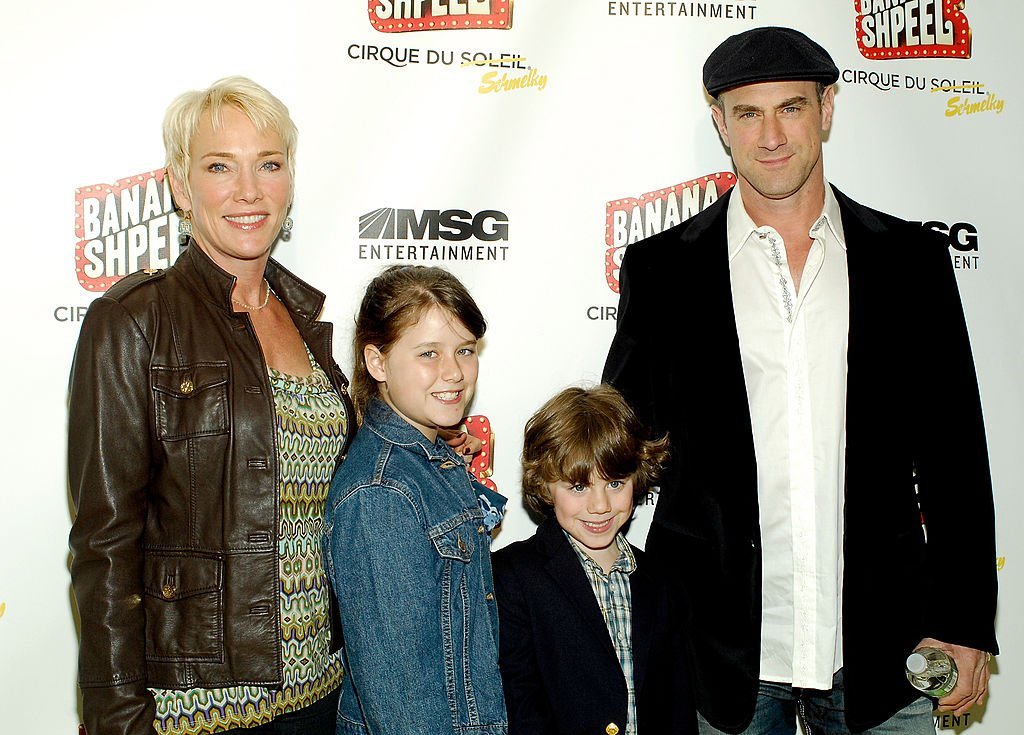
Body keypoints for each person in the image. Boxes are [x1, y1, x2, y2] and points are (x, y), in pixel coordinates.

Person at [602, 25, 997, 735]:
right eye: (748, 113)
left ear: (828, 109)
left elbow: (955, 459)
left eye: (791, 107)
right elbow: (621, 452)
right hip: (716, 656)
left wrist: (966, 622)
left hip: (886, 652)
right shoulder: (662, 271)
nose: (772, 134)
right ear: (720, 123)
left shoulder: (910, 262)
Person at [67, 76, 355, 735]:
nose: (249, 191)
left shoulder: (306, 319)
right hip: (196, 709)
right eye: (220, 166)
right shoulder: (135, 318)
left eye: (269, 165)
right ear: (179, 184)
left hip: (321, 695)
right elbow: (104, 540)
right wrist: (115, 716)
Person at [323, 264, 508, 735]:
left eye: (465, 350)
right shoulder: (382, 495)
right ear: (377, 362)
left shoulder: (432, 460)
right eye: (429, 353)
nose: (454, 373)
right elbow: (402, 704)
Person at [492, 384, 696, 735]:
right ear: (544, 486)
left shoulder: (660, 580)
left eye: (615, 483)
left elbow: (677, 705)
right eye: (579, 487)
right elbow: (518, 705)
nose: (600, 505)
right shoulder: (514, 576)